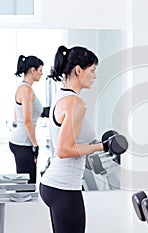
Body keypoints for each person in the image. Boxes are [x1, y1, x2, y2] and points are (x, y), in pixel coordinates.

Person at [40, 45, 104, 233]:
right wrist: (101, 146)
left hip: (56, 185)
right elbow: (65, 150)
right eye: (92, 70)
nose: (95, 76)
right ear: (78, 70)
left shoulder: (61, 97)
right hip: (64, 187)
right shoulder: (75, 103)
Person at [9, 55, 44, 184]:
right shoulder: (26, 90)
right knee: (27, 186)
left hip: (21, 141)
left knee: (27, 184)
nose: (42, 73)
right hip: (23, 144)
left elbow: (18, 114)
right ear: (32, 70)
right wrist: (35, 145)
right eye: (40, 70)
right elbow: (27, 121)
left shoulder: (23, 88)